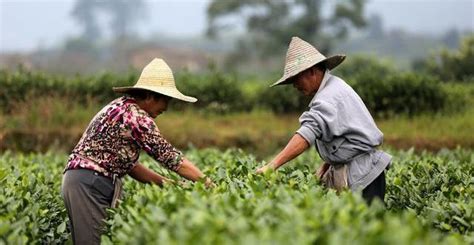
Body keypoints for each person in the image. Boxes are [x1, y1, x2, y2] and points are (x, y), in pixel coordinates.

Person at [61, 58, 213, 244]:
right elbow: (171, 158)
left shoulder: (119, 107)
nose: (166, 107)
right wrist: (209, 184)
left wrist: (168, 184)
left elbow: (131, 166)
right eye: (165, 100)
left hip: (80, 181)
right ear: (150, 96)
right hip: (90, 183)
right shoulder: (136, 117)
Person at [256, 37, 392, 204]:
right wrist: (328, 164)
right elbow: (343, 133)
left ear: (311, 71)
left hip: (364, 177)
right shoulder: (334, 87)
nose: (294, 85)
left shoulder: (328, 97)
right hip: (362, 172)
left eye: (296, 78)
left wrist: (272, 166)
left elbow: (307, 134)